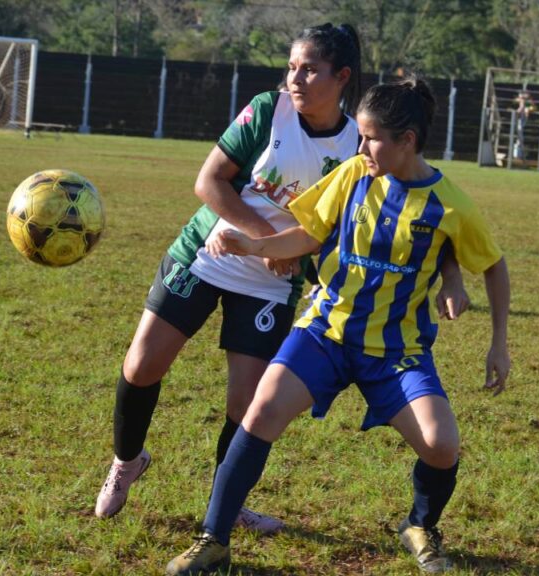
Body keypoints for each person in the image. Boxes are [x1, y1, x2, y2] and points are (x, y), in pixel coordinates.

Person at [93, 23, 470, 532]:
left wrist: (451, 276)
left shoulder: (361, 144)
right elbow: (209, 182)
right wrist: (263, 239)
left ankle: (223, 508)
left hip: (272, 283)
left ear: (342, 77)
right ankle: (126, 463)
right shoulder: (268, 110)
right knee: (141, 365)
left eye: (309, 69)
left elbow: (426, 211)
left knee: (247, 405)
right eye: (292, 67)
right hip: (207, 254)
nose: (295, 78)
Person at [165, 77, 511, 575]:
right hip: (324, 334)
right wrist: (254, 244)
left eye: (371, 138)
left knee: (442, 446)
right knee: (259, 412)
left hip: (395, 351)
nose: (362, 145)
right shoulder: (353, 175)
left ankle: (419, 525)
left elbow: (494, 266)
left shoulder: (450, 204)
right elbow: (306, 235)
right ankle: (213, 540)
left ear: (407, 141)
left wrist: (498, 343)